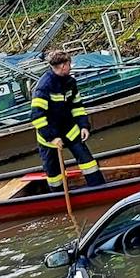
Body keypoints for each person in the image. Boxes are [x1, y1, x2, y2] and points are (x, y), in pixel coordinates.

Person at [31, 50, 105, 190]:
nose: (71, 67)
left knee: (88, 162)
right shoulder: (44, 87)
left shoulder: (70, 82)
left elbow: (77, 106)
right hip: (49, 135)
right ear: (64, 65)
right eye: (69, 64)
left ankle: (99, 188)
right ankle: (57, 196)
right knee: (54, 173)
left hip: (69, 129)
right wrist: (52, 138)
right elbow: (37, 117)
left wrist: (83, 126)